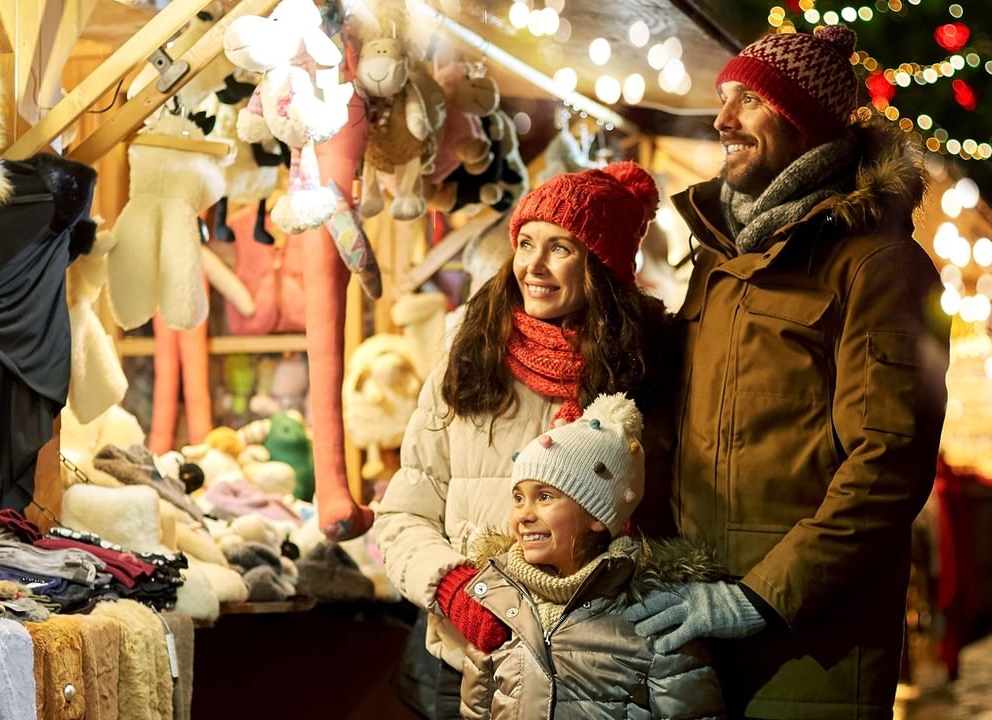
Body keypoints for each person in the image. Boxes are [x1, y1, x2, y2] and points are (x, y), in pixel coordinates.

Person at [624, 25, 950, 718]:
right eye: (723, 98)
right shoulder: (718, 260)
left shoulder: (880, 266)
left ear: (804, 120)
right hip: (695, 629)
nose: (722, 119)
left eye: (749, 100)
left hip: (815, 647)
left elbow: (888, 465)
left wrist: (760, 597)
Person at [374, 162, 670, 720]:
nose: (533, 266)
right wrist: (456, 589)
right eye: (527, 242)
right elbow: (400, 517)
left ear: (601, 264)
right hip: (468, 662)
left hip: (593, 672)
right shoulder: (470, 354)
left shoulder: (644, 370)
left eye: (561, 248)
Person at [455, 393, 726, 719]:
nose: (523, 515)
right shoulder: (497, 604)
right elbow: (477, 710)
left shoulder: (654, 618)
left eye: (544, 496)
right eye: (518, 497)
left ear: (597, 515)